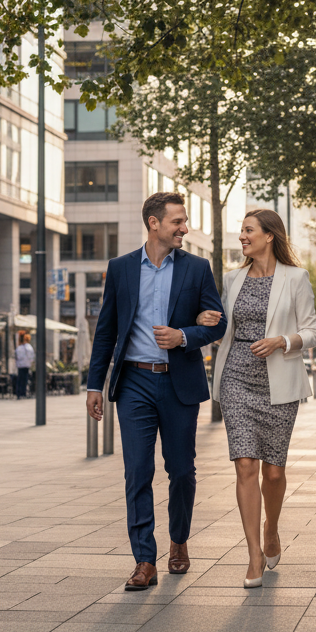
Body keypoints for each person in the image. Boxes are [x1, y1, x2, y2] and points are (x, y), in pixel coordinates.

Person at [86, 192, 227, 592]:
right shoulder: (121, 268)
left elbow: (217, 324)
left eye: (184, 222)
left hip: (178, 382)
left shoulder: (197, 269)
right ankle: (144, 560)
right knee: (137, 472)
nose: (184, 228)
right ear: (154, 223)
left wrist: (184, 335)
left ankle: (178, 540)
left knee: (181, 470)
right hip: (133, 382)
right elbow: (106, 331)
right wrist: (95, 384)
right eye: (177, 222)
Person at [202, 209, 316, 588]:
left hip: (279, 385)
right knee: (245, 466)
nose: (242, 237)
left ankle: (271, 528)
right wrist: (206, 319)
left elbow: (311, 332)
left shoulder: (296, 278)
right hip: (236, 378)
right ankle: (253, 553)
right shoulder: (233, 279)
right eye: (241, 231)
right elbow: (223, 324)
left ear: (269, 235)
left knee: (274, 471)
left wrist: (282, 341)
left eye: (248, 230)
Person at [15, 333, 35, 398]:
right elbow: (31, 357)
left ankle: (19, 392)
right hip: (26, 365)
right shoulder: (29, 347)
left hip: (20, 365)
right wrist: (30, 362)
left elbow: (17, 356)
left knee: (20, 379)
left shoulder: (19, 348)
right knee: (24, 379)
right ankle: (23, 392)